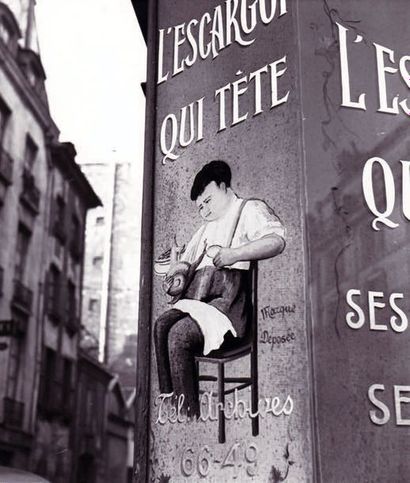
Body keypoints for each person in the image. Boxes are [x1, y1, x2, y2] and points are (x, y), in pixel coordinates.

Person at [154, 160, 285, 417]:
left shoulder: (249, 210)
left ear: (224, 187)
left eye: (208, 201)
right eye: (200, 206)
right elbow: (185, 263)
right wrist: (177, 277)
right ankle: (175, 405)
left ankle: (187, 415)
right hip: (198, 304)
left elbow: (276, 241)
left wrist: (234, 253)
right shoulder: (205, 229)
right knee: (161, 326)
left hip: (229, 313)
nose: (204, 210)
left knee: (179, 336)